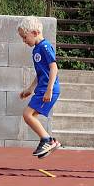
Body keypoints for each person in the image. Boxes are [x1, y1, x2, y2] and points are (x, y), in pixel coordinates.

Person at [18, 16, 62, 158]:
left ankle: (47, 140)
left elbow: (54, 68)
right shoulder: (36, 49)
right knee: (32, 116)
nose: (24, 41)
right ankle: (50, 141)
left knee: (27, 115)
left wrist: (49, 89)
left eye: (25, 37)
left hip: (48, 88)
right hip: (42, 87)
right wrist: (30, 89)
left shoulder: (44, 46)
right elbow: (41, 73)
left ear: (35, 32)